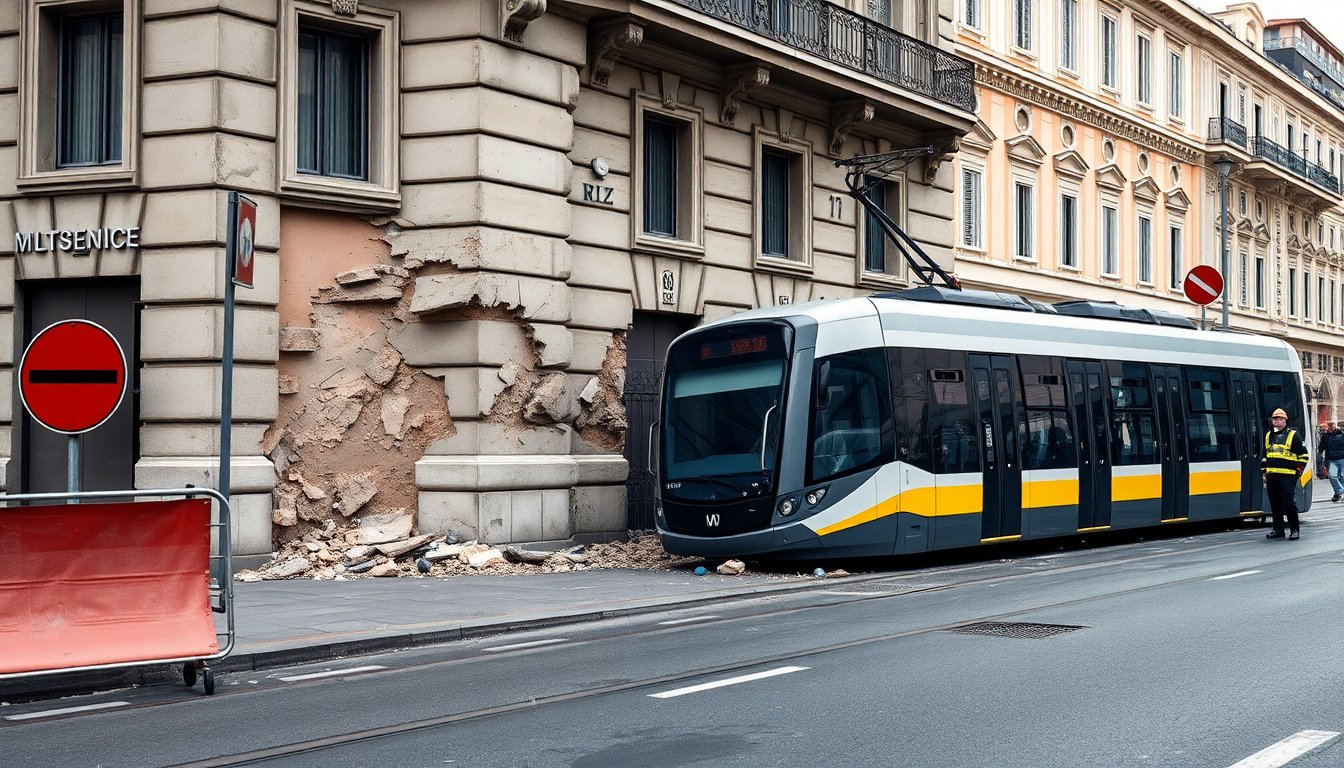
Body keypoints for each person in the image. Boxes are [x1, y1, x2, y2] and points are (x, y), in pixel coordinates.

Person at [1263, 408, 1310, 540]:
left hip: (1288, 476)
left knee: (1289, 503)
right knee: (1275, 504)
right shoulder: (1268, 435)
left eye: (1279, 419)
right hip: (1272, 476)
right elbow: (1265, 456)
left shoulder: (1293, 435)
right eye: (1274, 419)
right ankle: (1278, 529)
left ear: (1285, 421)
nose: (1276, 421)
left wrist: (1298, 472)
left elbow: (1304, 455)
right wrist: (1264, 473)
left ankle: (1295, 530)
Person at [1322, 422, 1344, 502]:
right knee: (1332, 476)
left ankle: (1338, 493)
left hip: (1342, 459)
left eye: (1332, 425)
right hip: (1331, 459)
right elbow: (1322, 446)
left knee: (1342, 477)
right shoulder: (1325, 436)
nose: (1330, 427)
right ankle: (1339, 492)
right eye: (1329, 426)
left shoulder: (1341, 434)